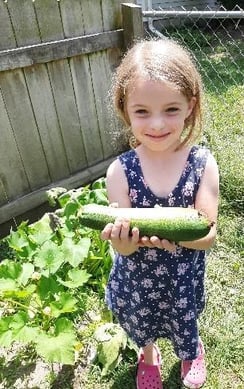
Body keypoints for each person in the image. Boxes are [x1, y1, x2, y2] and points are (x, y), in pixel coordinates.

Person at [101, 38, 219, 389]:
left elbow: (208, 234)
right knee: (142, 321)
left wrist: (175, 235)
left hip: (182, 275)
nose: (156, 124)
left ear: (190, 105)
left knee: (184, 318)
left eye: (171, 109)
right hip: (138, 277)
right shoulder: (119, 172)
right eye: (142, 111)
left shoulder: (203, 165)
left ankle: (190, 351)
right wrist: (123, 243)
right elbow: (120, 248)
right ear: (125, 110)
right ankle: (148, 354)